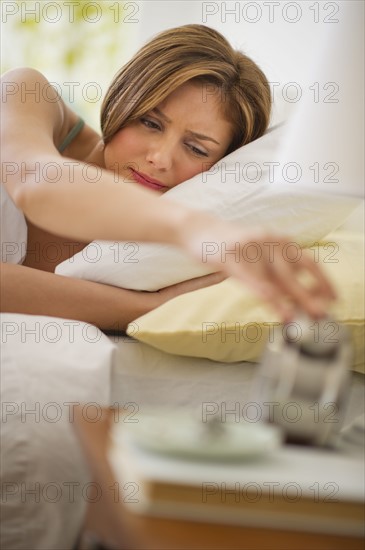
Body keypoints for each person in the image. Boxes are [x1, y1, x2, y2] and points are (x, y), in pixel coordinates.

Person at [1, 24, 335, 327]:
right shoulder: (28, 92)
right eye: (150, 123)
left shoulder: (158, 258)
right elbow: (35, 181)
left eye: (197, 149)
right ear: (121, 95)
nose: (159, 158)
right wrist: (151, 304)